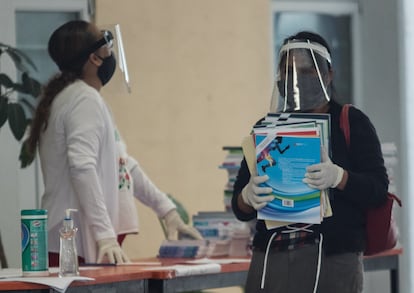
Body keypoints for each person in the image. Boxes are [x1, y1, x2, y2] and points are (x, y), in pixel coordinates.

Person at [27, 20, 201, 266]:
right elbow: (82, 168)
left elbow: (123, 164)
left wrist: (167, 211)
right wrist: (105, 236)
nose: (111, 52)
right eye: (106, 44)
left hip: (83, 240)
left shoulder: (80, 98)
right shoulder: (83, 100)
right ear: (94, 59)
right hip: (76, 244)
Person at [231, 31, 389, 293]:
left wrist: (339, 177)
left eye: (306, 71)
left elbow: (377, 190)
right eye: (288, 72)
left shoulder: (351, 121)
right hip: (272, 259)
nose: (296, 80)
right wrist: (247, 197)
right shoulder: (268, 128)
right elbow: (239, 206)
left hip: (333, 260)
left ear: (328, 74)